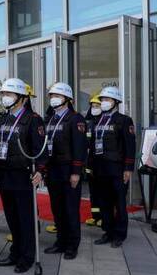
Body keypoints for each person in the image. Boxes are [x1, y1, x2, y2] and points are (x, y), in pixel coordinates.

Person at [0, 78, 46, 273]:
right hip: (5, 175)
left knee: (26, 219)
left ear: (22, 98)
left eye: (9, 94)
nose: (5, 98)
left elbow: (40, 149)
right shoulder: (3, 119)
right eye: (4, 94)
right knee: (12, 218)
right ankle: (15, 252)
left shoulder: (33, 119)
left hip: (23, 176)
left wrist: (40, 170)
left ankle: (27, 256)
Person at [42, 83, 87, 260]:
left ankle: (72, 244)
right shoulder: (51, 119)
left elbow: (79, 147)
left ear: (67, 99)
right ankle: (60, 241)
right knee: (57, 209)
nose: (53, 99)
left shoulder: (76, 119)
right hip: (53, 170)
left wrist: (76, 171)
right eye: (51, 95)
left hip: (69, 171)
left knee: (70, 209)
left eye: (57, 96)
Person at [90, 86, 136, 248]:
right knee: (104, 203)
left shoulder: (124, 120)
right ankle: (108, 232)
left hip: (117, 169)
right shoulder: (98, 121)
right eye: (102, 100)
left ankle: (119, 234)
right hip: (100, 168)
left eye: (107, 100)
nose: (103, 103)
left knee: (120, 203)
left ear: (116, 102)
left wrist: (128, 168)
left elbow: (130, 146)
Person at [85, 94, 103, 227]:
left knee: (102, 191)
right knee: (93, 192)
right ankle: (95, 216)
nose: (94, 108)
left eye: (97, 106)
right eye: (92, 106)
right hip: (90, 162)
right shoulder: (89, 123)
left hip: (101, 162)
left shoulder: (105, 123)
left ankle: (103, 216)